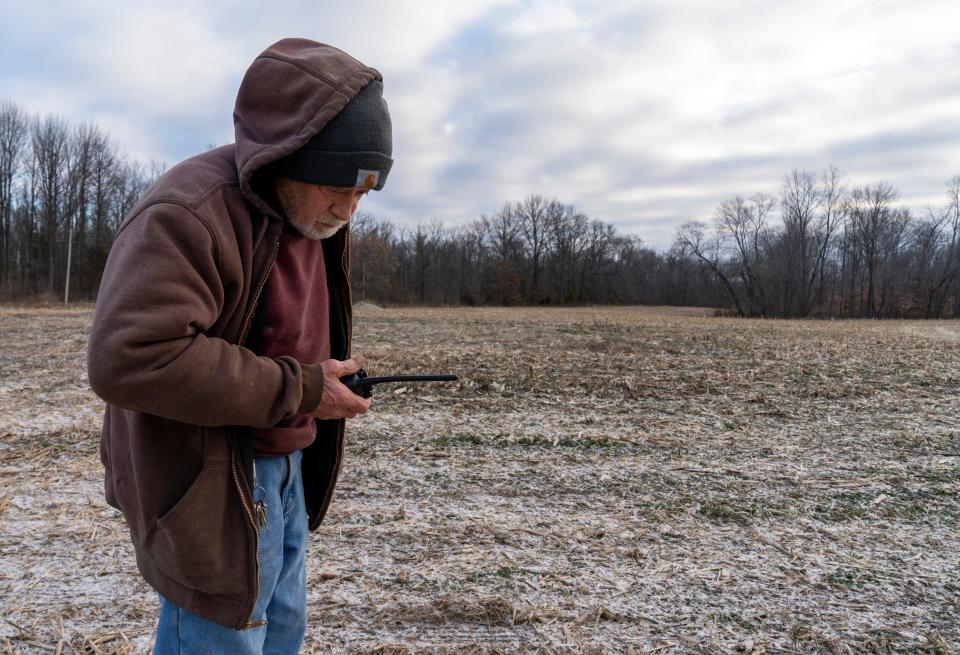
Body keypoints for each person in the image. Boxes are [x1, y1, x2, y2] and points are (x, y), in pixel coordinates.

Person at [86, 38, 390, 653]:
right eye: (338, 186)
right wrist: (301, 388)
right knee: (221, 643)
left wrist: (320, 385)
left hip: (286, 469)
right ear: (283, 153)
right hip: (212, 480)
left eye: (365, 191)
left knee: (279, 636)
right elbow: (131, 355)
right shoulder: (189, 212)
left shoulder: (313, 212)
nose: (350, 207)